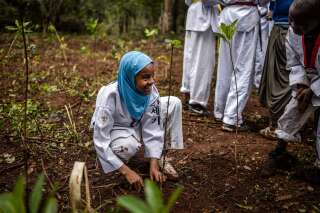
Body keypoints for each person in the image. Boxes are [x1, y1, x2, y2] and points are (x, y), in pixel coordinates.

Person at [91, 51, 184, 190]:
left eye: (152, 76)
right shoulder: (109, 96)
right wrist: (127, 172)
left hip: (136, 122)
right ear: (129, 77)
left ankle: (160, 157)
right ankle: (118, 160)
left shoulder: (150, 91)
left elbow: (153, 127)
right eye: (146, 77)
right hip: (118, 127)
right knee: (127, 147)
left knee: (174, 103)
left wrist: (153, 162)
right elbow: (100, 140)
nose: (151, 81)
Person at [262, 0, 320, 179]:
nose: (293, 27)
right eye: (290, 21)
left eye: (300, 25)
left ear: (315, 21)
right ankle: (280, 152)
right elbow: (294, 61)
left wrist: (313, 90)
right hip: (306, 78)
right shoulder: (294, 32)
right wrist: (302, 85)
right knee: (292, 110)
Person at [214, 0, 267, 131]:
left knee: (225, 67)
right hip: (247, 17)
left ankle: (221, 110)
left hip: (227, 15)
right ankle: (231, 117)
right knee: (243, 68)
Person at [258, 0, 293, 139]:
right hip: (291, 27)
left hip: (286, 29)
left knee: (280, 77)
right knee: (287, 76)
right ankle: (283, 124)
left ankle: (278, 125)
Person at [180, 0, 219, 115]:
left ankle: (187, 95)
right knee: (202, 62)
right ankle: (197, 102)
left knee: (190, 58)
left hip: (194, 14)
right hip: (203, 17)